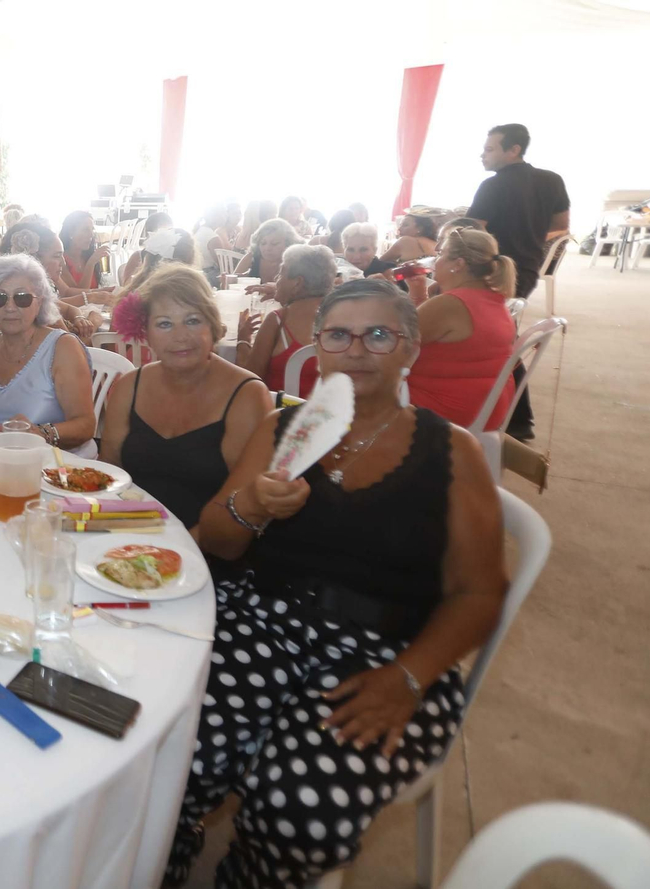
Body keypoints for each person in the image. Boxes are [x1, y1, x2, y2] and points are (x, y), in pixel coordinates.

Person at [165, 277, 506, 888]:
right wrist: (254, 504)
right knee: (172, 748)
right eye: (339, 336)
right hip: (262, 617)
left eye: (378, 335)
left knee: (300, 810)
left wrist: (410, 678)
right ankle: (166, 854)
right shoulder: (284, 429)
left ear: (410, 348)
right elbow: (216, 539)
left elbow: (480, 592)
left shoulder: (452, 452)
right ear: (317, 347)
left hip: (387, 652)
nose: (357, 350)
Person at [100, 264, 269, 527]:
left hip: (208, 543)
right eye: (164, 324)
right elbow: (110, 472)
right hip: (130, 535)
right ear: (146, 334)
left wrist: (181, 546)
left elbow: (241, 505)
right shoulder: (129, 387)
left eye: (192, 320)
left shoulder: (247, 396)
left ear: (213, 326)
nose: (180, 336)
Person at [468, 123, 567, 440]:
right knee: (502, 336)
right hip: (526, 269)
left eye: (489, 149)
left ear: (514, 150)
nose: (482, 155)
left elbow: (473, 232)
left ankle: (519, 418)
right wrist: (529, 233)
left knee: (499, 343)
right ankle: (513, 415)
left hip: (493, 270)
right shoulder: (552, 180)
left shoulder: (493, 185)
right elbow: (561, 224)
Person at [0, 254, 97, 454]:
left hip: (57, 464)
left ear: (40, 303)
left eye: (22, 298)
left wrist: (42, 433)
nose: (10, 307)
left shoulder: (62, 348)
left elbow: (86, 425)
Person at [405, 229, 518, 431]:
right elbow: (434, 332)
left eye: (441, 254)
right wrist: (418, 294)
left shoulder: (451, 304)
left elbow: (394, 343)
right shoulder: (492, 298)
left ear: (458, 264)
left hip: (445, 409)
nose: (435, 260)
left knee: (358, 383)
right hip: (486, 406)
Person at [236, 244, 337, 396]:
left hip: (282, 410)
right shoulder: (341, 316)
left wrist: (243, 341)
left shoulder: (278, 320)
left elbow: (249, 382)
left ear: (297, 283)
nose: (276, 279)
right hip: (332, 410)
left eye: (281, 273)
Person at [0, 222, 104, 338]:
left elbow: (69, 309)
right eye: (57, 256)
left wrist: (78, 317)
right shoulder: (35, 305)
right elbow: (73, 346)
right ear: (34, 260)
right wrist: (94, 322)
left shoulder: (35, 293)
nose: (63, 263)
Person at [234, 217, 303, 287]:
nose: (267, 248)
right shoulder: (252, 257)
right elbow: (232, 282)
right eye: (263, 243)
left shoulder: (296, 262)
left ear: (289, 244)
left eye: (274, 243)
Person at [57, 211, 108, 291]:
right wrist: (91, 263)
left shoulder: (88, 255)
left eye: (92, 229)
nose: (91, 234)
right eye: (86, 230)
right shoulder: (61, 261)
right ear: (71, 233)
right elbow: (80, 294)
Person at [193, 203, 235, 283]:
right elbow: (223, 266)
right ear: (216, 216)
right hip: (209, 276)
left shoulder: (199, 231)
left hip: (200, 274)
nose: (227, 216)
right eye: (224, 213)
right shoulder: (213, 237)